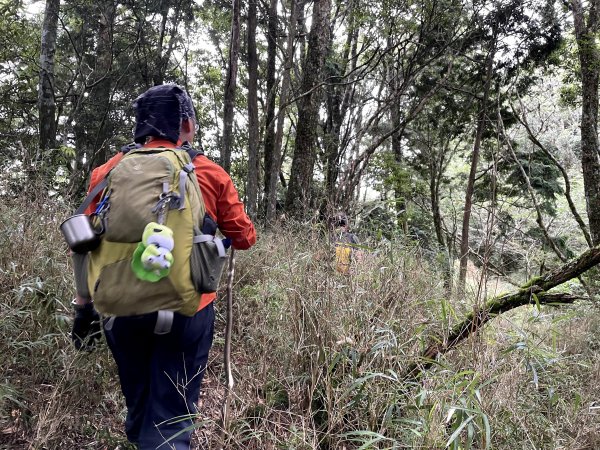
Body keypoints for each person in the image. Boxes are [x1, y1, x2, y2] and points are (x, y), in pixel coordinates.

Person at [70, 84, 256, 449]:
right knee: (171, 417)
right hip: (189, 310)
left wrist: (83, 306)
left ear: (141, 127)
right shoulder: (209, 173)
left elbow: (82, 243)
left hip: (120, 309)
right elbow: (245, 236)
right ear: (185, 125)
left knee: (138, 403)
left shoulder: (107, 172)